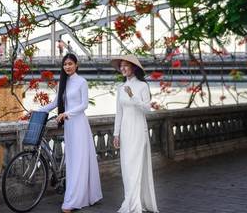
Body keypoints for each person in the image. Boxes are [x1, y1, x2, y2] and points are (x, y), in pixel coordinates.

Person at [36, 53, 102, 212]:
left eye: (70, 64)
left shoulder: (82, 82)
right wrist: (38, 111)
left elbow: (84, 105)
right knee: (72, 162)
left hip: (79, 124)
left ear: (76, 65)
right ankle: (79, 195)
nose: (67, 67)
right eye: (65, 64)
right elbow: (54, 103)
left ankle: (73, 200)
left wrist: (67, 113)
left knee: (79, 161)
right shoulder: (63, 83)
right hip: (69, 127)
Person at [112, 55, 157, 213]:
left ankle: (136, 205)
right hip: (125, 130)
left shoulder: (143, 86)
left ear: (134, 68)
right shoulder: (120, 87)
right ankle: (130, 201)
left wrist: (132, 95)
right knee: (126, 167)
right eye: (121, 66)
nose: (123, 68)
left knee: (135, 166)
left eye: (126, 66)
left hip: (138, 130)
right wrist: (116, 134)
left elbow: (147, 109)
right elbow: (119, 112)